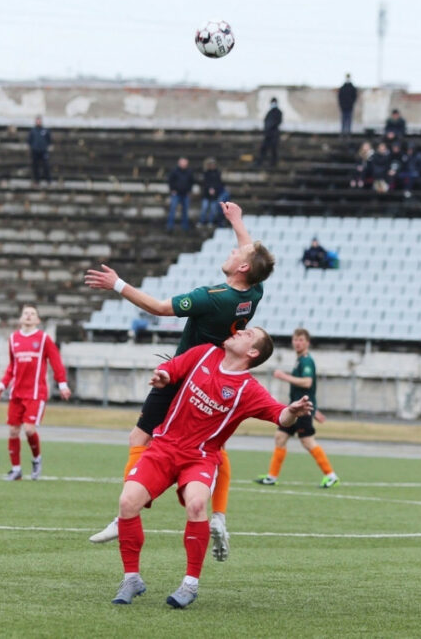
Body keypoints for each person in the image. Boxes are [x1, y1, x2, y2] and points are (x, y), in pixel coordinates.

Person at [84, 201, 275, 558]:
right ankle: (218, 516)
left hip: (187, 372)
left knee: (139, 436)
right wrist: (238, 222)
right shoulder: (254, 292)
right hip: (217, 377)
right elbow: (254, 257)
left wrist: (117, 284)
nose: (233, 249)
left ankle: (125, 511)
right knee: (213, 446)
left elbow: (158, 308)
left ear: (243, 267)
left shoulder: (212, 298)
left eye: (237, 251)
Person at [109, 328, 313, 607]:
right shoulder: (204, 352)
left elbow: (279, 414)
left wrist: (292, 410)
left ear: (252, 352)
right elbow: (172, 368)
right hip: (163, 447)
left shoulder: (247, 389)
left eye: (248, 334)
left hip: (200, 457)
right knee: (127, 502)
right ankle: (131, 578)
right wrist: (164, 376)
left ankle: (190, 584)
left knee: (195, 505)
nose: (239, 331)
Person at [0, 304, 72, 481]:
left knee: (29, 429)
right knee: (13, 431)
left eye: (32, 314)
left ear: (37, 320)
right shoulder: (13, 339)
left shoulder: (43, 339)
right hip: (16, 393)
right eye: (25, 313)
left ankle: (36, 459)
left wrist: (63, 384)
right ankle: (16, 469)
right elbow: (12, 367)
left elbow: (55, 361)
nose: (28, 316)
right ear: (20, 318)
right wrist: (2, 385)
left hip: (36, 393)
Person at [255, 328, 338, 488]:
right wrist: (316, 411)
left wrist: (283, 376)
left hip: (302, 410)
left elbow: (307, 383)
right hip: (295, 408)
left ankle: (331, 475)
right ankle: (272, 477)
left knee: (307, 441)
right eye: (295, 339)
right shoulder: (300, 360)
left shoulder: (306, 361)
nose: (297, 343)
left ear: (307, 342)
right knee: (280, 437)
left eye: (301, 340)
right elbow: (308, 389)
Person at [198, 157, 229, 227]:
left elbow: (218, 184)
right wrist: (209, 189)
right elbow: (205, 183)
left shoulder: (218, 173)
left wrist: (214, 189)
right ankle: (201, 221)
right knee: (204, 208)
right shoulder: (205, 173)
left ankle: (210, 222)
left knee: (213, 210)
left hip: (215, 195)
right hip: (206, 195)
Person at [166, 157, 193, 232]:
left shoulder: (189, 172)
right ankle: (170, 226)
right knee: (172, 209)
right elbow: (170, 180)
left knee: (185, 211)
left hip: (185, 194)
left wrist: (189, 191)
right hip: (176, 193)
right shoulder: (174, 171)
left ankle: (185, 226)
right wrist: (172, 190)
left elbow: (191, 182)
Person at [256, 97, 283, 167]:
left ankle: (273, 164)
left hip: (274, 135)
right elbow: (265, 121)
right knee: (263, 149)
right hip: (268, 134)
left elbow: (278, 122)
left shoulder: (278, 112)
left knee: (274, 150)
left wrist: (271, 126)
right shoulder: (269, 112)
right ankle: (260, 163)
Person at [27, 115, 52, 186]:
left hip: (43, 151)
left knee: (46, 166)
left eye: (39, 120)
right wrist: (33, 147)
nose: (38, 122)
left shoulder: (45, 130)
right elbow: (29, 140)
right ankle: (36, 181)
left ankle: (48, 181)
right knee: (35, 167)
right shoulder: (33, 131)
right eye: (37, 120)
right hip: (35, 151)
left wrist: (45, 147)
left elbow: (49, 140)